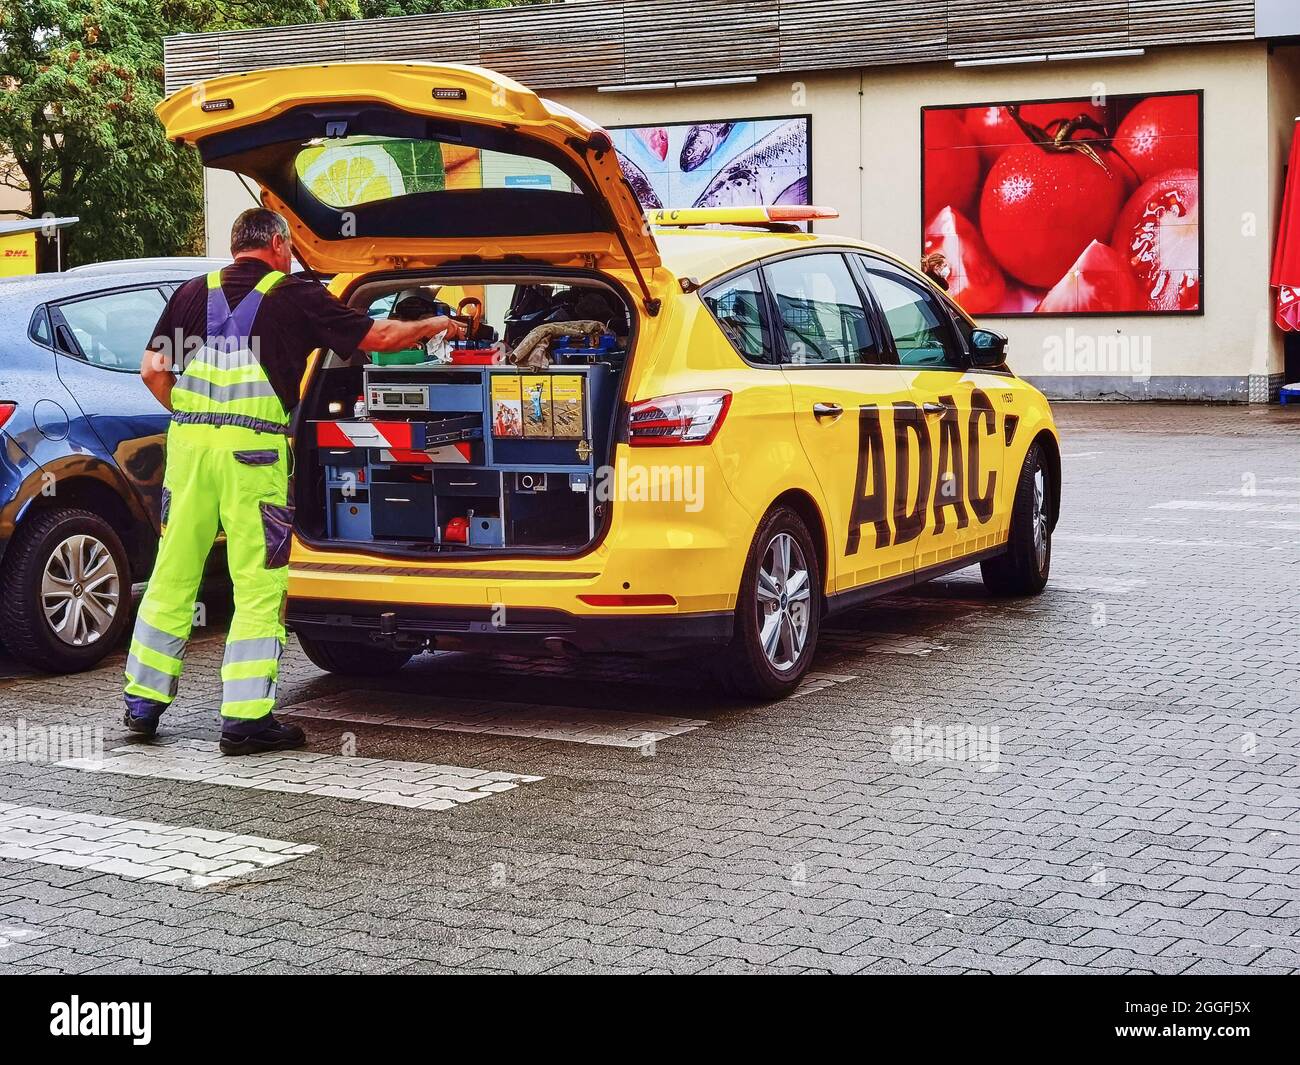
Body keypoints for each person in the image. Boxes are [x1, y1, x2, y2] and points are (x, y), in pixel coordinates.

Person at [123, 207, 465, 755]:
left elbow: (153, 372)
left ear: (237, 246)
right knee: (257, 581)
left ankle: (143, 702)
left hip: (188, 451)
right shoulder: (294, 294)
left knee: (173, 572)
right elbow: (377, 336)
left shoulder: (191, 292)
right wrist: (437, 324)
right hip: (252, 455)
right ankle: (245, 718)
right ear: (278, 245)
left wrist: (191, 416)